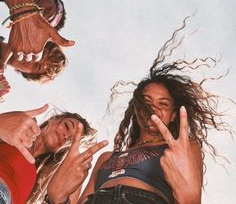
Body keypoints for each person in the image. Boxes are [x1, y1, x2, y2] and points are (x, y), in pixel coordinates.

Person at [45, 19, 230, 204]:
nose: (153, 108)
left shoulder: (182, 148)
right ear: (136, 108)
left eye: (163, 104)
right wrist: (56, 197)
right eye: (146, 101)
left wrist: (190, 198)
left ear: (174, 115)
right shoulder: (106, 157)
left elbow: (190, 199)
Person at [0, 105, 107, 204]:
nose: (66, 136)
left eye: (71, 140)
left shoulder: (46, 177)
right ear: (53, 119)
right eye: (67, 126)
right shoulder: (16, 132)